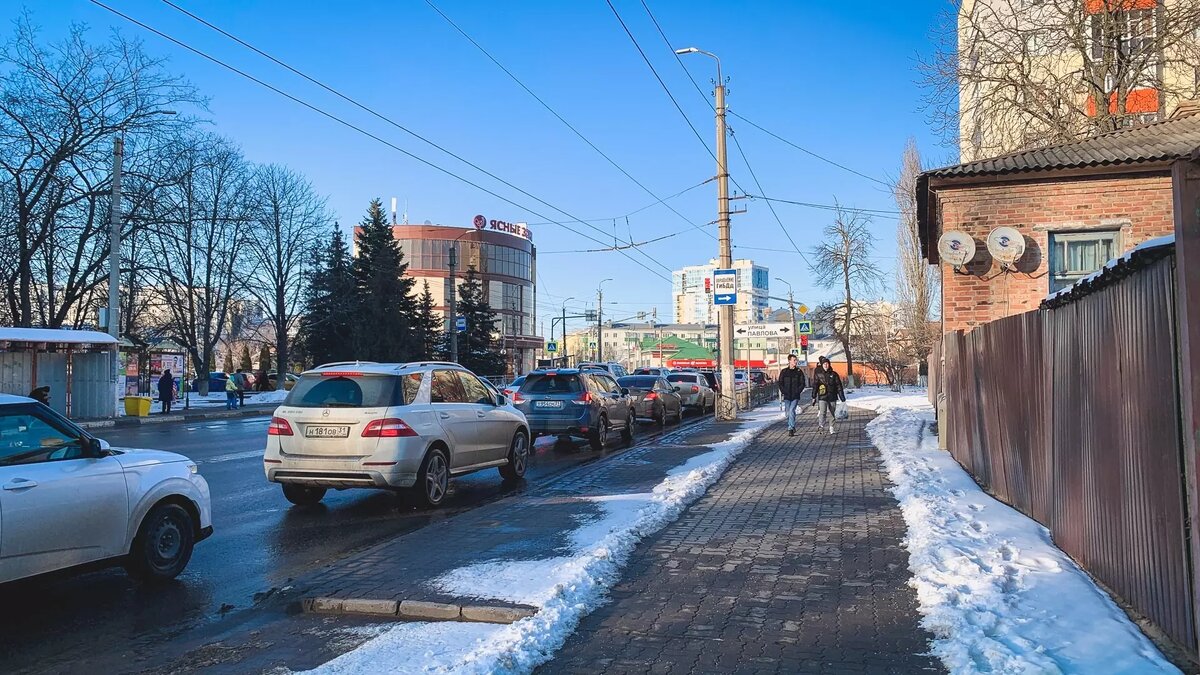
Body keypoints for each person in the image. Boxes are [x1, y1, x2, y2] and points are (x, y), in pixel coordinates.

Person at [811, 356, 846, 435]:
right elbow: (815, 385)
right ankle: (821, 426)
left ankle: (832, 427)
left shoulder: (834, 374)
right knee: (822, 412)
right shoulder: (818, 374)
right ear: (822, 365)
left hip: (832, 396)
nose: (826, 365)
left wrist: (842, 397)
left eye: (827, 364)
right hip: (822, 396)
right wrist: (813, 396)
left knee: (832, 412)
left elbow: (839, 386)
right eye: (824, 364)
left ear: (829, 365)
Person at [777, 354, 807, 436]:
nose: (795, 362)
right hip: (787, 395)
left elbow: (802, 383)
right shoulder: (784, 372)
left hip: (795, 395)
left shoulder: (799, 372)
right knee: (787, 413)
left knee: (791, 410)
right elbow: (780, 383)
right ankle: (792, 425)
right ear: (789, 361)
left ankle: (790, 428)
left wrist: (798, 391)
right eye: (794, 360)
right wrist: (783, 391)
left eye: (796, 360)